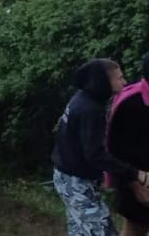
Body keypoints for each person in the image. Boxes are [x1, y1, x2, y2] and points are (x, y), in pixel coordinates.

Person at [53, 59, 147, 236]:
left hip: (68, 175)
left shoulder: (82, 99)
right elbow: (95, 155)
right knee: (101, 231)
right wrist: (136, 174)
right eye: (119, 78)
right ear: (103, 82)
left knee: (81, 230)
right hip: (76, 182)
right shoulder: (90, 110)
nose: (125, 82)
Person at [108, 52, 149, 236]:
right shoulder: (130, 103)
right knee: (136, 228)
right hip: (138, 181)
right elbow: (115, 149)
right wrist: (134, 185)